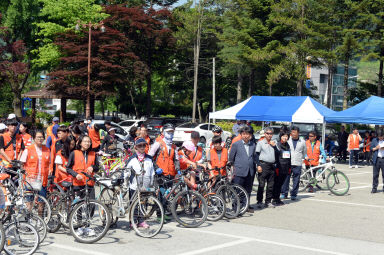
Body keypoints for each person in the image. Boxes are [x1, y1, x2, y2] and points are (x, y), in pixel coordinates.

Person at [126, 138, 155, 228]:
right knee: (134, 204)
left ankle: (142, 220)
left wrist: (152, 184)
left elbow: (152, 172)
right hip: (134, 185)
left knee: (144, 203)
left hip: (146, 185)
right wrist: (125, 182)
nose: (142, 147)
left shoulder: (149, 158)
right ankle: (133, 221)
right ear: (136, 147)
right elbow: (126, 171)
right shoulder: (132, 159)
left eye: (144, 145)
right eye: (140, 146)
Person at [20, 130, 50, 213]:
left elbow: (49, 163)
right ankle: (28, 219)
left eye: (41, 137)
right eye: (38, 137)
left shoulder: (47, 150)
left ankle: (40, 221)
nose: (40, 139)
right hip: (30, 180)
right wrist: (24, 176)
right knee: (29, 201)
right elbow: (22, 163)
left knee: (41, 201)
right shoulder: (28, 149)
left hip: (42, 180)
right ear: (34, 138)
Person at [229, 125, 257, 213]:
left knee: (248, 190)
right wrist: (234, 168)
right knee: (237, 190)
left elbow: (254, 157)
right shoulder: (236, 144)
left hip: (250, 171)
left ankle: (246, 206)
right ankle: (236, 207)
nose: (245, 135)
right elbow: (231, 158)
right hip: (239, 171)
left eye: (247, 134)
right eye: (244, 134)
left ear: (251, 135)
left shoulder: (253, 144)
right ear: (241, 134)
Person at [66, 135, 99, 199]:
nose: (87, 143)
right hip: (78, 184)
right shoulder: (74, 153)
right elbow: (68, 168)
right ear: (80, 143)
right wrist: (76, 175)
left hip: (90, 183)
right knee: (79, 206)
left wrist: (92, 167)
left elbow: (97, 168)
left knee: (91, 206)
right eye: (85, 141)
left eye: (89, 142)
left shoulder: (93, 154)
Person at [281, 126, 306, 201]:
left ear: (298, 133)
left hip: (297, 163)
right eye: (292, 132)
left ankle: (294, 194)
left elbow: (304, 152)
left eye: (294, 132)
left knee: (296, 179)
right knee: (286, 178)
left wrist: (301, 158)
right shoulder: (288, 140)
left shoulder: (302, 141)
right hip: (288, 162)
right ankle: (284, 193)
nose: (293, 134)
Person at [255, 127, 278, 208]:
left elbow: (278, 153)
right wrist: (258, 165)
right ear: (264, 134)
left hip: (272, 165)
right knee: (261, 184)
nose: (269, 135)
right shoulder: (260, 143)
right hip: (263, 165)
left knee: (270, 185)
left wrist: (274, 146)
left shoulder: (274, 142)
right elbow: (256, 155)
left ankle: (268, 201)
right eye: (267, 133)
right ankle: (259, 201)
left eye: (271, 133)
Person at [272, 130, 291, 206]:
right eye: (283, 136)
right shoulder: (277, 145)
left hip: (286, 167)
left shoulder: (287, 145)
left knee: (281, 184)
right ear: (280, 137)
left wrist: (289, 167)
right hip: (279, 167)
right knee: (277, 184)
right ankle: (274, 199)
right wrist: (276, 167)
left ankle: (277, 198)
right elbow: (276, 157)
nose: (285, 138)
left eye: (286, 136)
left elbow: (289, 157)